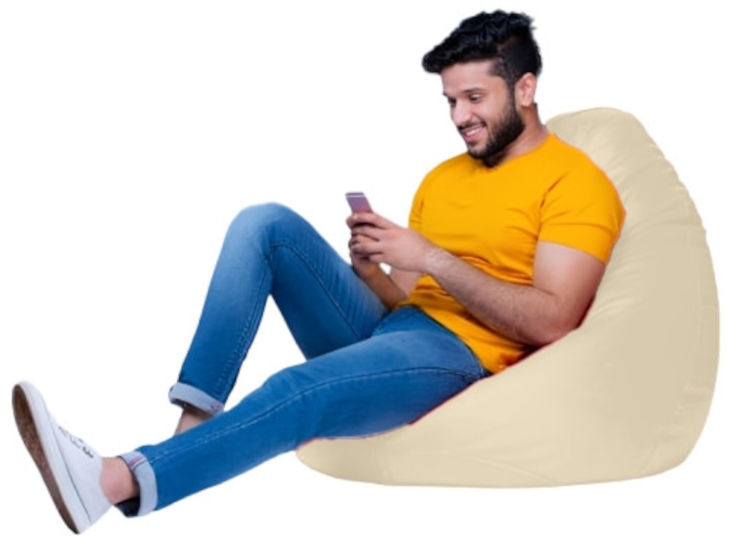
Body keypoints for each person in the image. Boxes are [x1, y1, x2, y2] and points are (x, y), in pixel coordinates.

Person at [12, 10, 625, 534]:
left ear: (524, 88)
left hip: (465, 359)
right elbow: (405, 304)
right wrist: (372, 268)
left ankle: (111, 481)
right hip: (402, 335)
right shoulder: (443, 178)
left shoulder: (575, 182)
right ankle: (193, 424)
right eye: (450, 101)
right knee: (264, 223)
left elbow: (554, 321)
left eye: (474, 98)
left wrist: (432, 257)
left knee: (294, 389)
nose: (459, 116)